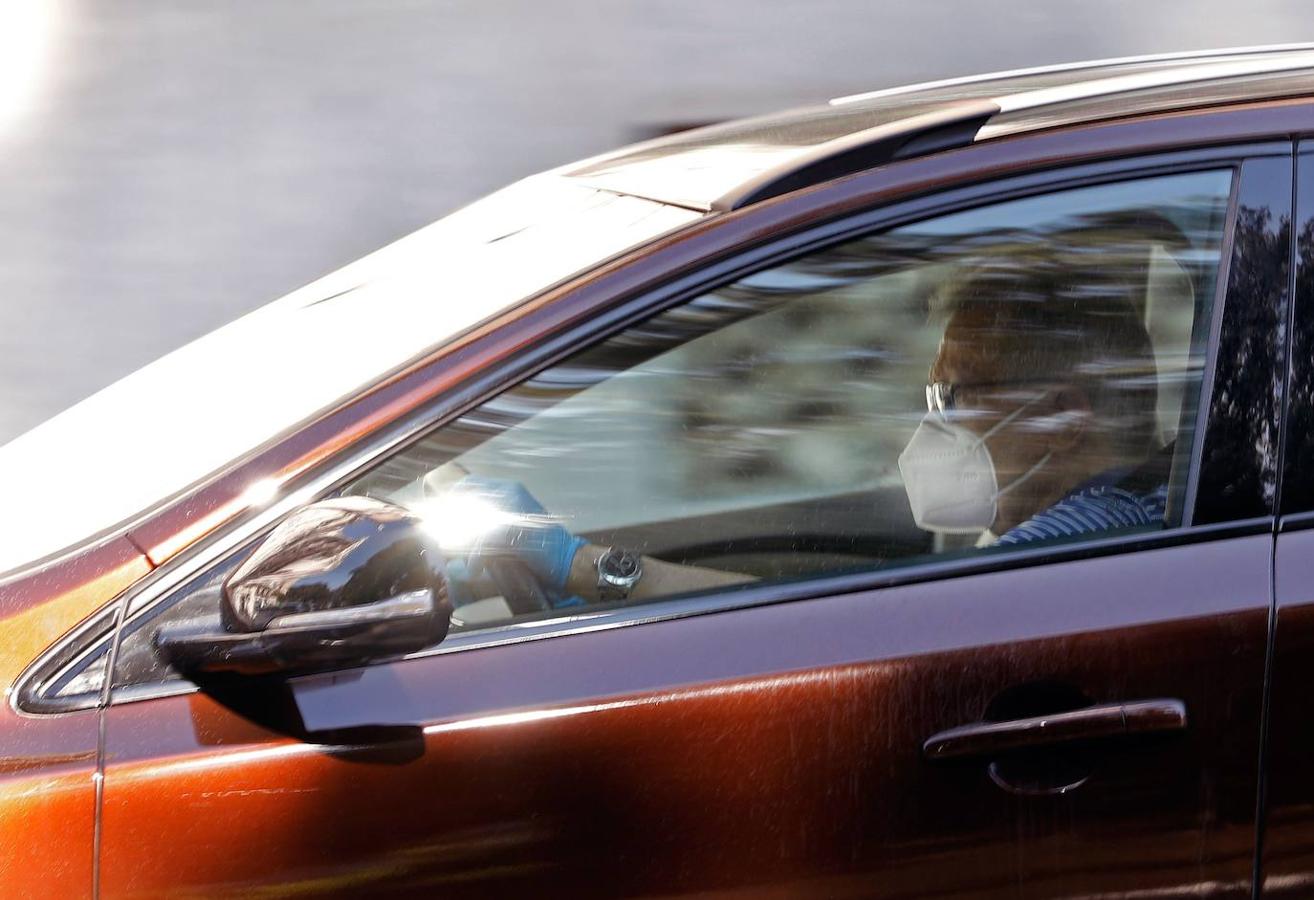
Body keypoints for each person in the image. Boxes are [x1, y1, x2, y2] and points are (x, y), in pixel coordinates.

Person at [437, 259, 1168, 608]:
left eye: (956, 393)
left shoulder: (1085, 538)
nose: (933, 420)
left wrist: (584, 566)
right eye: (930, 393)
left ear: (1065, 415)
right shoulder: (1110, 518)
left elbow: (863, 631)